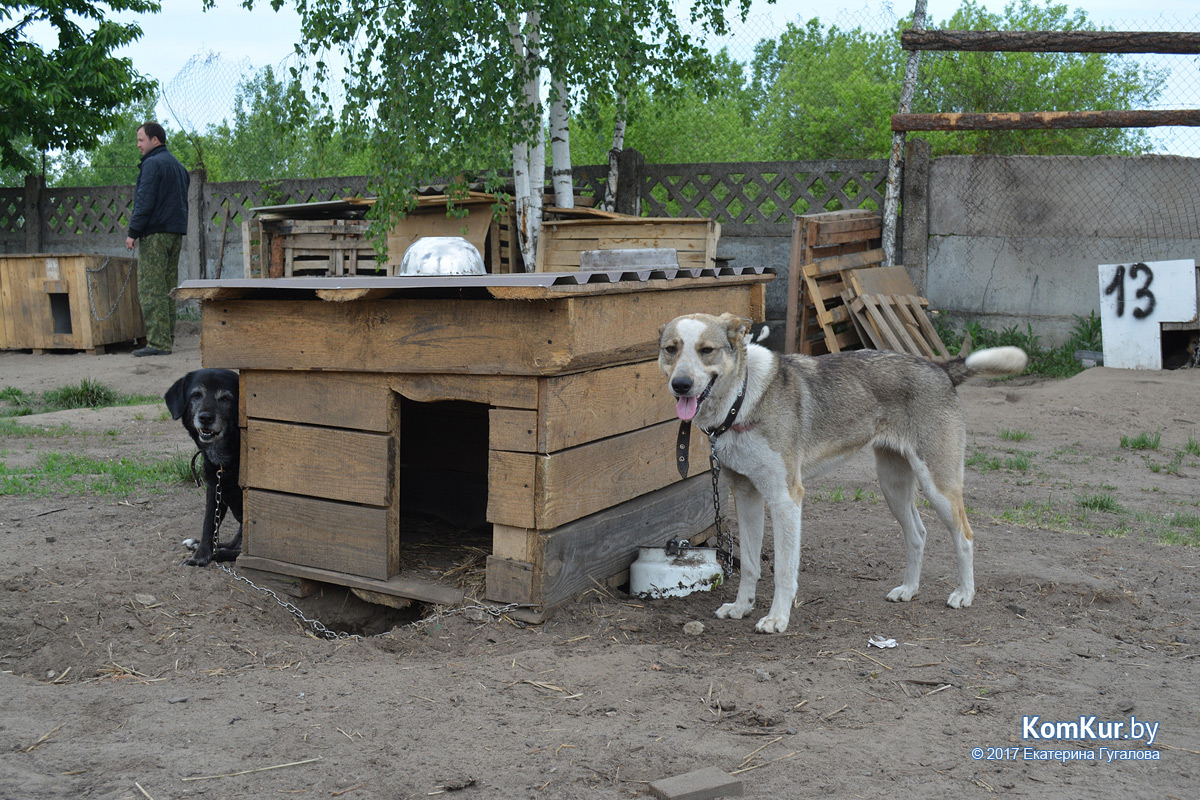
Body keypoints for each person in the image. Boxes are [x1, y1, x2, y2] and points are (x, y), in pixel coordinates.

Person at [126, 122, 189, 356]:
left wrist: (133, 232)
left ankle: (158, 343)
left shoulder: (152, 165)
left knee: (151, 288)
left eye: (141, 140)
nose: (138, 145)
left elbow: (144, 201)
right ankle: (167, 338)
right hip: (175, 233)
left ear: (155, 140)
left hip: (155, 234)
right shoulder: (179, 167)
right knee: (168, 286)